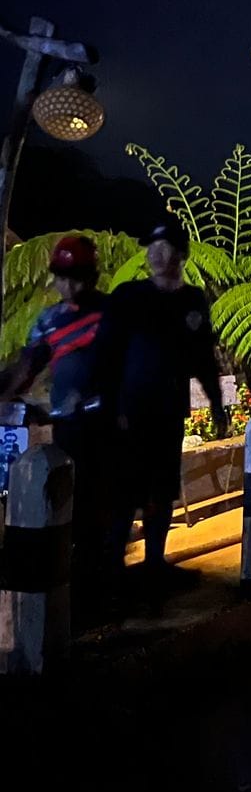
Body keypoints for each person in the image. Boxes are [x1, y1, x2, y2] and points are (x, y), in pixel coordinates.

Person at [97, 218, 225, 598]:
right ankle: (111, 568)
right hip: (128, 410)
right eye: (151, 247)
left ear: (181, 254)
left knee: (162, 487)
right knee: (124, 490)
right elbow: (107, 353)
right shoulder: (128, 296)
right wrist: (110, 404)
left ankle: (155, 561)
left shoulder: (192, 301)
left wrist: (217, 405)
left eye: (164, 246)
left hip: (168, 410)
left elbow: (203, 357)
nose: (155, 253)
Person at [0, 235, 117, 622]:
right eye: (64, 276)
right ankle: (77, 597)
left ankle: (99, 596)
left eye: (78, 276)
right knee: (71, 511)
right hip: (68, 428)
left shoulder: (111, 315)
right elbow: (28, 365)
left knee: (99, 514)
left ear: (92, 276)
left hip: (106, 426)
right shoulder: (49, 320)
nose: (70, 284)